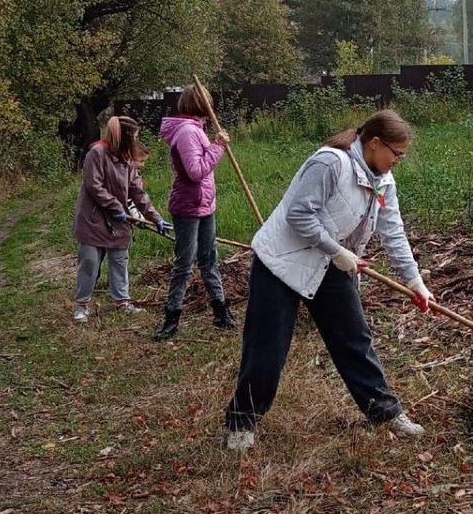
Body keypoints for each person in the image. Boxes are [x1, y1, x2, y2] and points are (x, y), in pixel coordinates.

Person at [222, 109, 433, 451]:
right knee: (267, 347)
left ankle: (384, 411)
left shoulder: (383, 180)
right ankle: (241, 423)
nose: (399, 161)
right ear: (375, 143)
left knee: (354, 339)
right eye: (397, 154)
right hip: (282, 261)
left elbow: (393, 232)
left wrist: (415, 281)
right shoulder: (330, 163)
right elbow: (299, 214)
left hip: (331, 262)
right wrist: (336, 250)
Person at [152, 85, 237, 341]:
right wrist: (218, 146)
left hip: (204, 205)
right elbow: (195, 171)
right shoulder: (188, 132)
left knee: (209, 259)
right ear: (201, 105)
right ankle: (171, 319)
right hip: (188, 207)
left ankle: (221, 313)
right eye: (209, 102)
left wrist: (214, 145)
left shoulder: (196, 129)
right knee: (185, 265)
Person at [72, 116, 169, 323]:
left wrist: (154, 217)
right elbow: (94, 186)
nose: (136, 140)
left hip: (118, 222)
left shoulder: (127, 159)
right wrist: (116, 207)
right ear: (124, 137)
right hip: (93, 220)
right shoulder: (96, 153)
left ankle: (122, 302)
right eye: (134, 136)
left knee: (119, 261)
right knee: (89, 262)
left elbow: (138, 193)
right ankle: (81, 305)